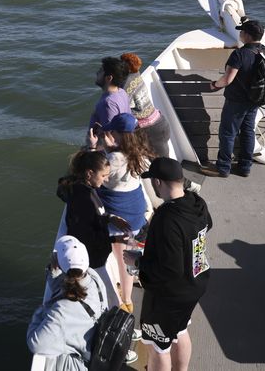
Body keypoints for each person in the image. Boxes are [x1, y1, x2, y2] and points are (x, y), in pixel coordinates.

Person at [123, 157, 212, 371]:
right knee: (179, 331)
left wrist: (137, 260)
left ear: (157, 182)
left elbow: (169, 270)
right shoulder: (196, 202)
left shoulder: (166, 219)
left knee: (158, 346)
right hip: (196, 282)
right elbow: (208, 224)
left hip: (170, 295)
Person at [89, 112, 155, 314]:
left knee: (119, 255)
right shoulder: (141, 155)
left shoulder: (113, 159)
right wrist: (111, 147)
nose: (107, 133)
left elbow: (95, 175)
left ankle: (120, 301)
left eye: (112, 131)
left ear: (119, 135)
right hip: (135, 212)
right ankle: (128, 299)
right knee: (128, 256)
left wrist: (93, 146)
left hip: (119, 216)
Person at [57, 150, 132, 309]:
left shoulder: (78, 189)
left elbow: (92, 218)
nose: (107, 179)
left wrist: (110, 218)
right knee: (110, 296)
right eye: (104, 175)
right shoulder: (85, 199)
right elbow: (87, 235)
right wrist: (114, 239)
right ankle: (117, 318)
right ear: (90, 173)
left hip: (93, 254)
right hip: (93, 257)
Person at [27, 236, 108, 369]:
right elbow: (69, 286)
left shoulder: (62, 309)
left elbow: (35, 344)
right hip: (96, 347)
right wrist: (54, 271)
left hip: (80, 364)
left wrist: (42, 310)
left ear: (58, 263)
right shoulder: (94, 277)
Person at [207, 19, 265, 177]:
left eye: (242, 31)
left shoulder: (240, 54)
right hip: (255, 99)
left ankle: (223, 167)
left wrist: (214, 85)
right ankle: (245, 167)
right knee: (248, 131)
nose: (240, 33)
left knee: (228, 133)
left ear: (247, 35)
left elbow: (227, 80)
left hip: (236, 101)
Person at [121, 53, 172, 158]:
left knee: (158, 163)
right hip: (159, 121)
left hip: (149, 128)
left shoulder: (127, 82)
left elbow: (122, 105)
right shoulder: (137, 75)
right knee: (164, 161)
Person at [87, 57, 131, 147]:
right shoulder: (121, 92)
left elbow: (111, 138)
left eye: (100, 71)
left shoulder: (108, 103)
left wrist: (93, 148)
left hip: (104, 152)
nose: (97, 73)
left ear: (109, 78)